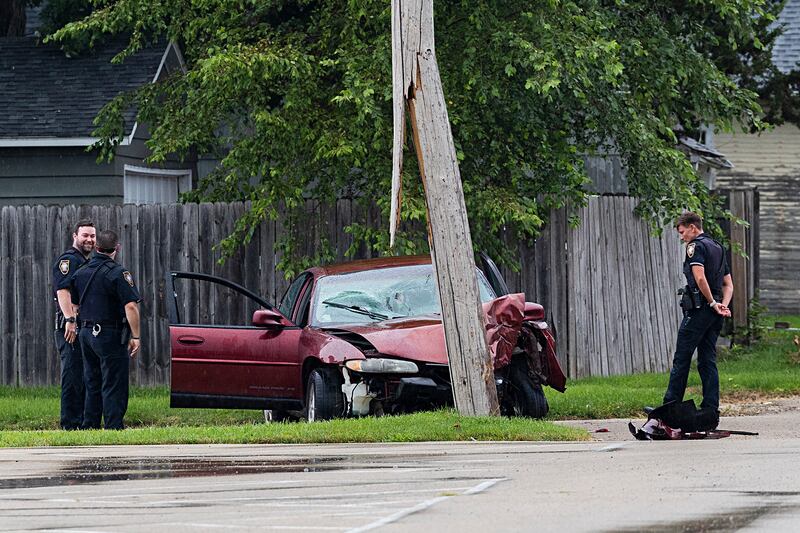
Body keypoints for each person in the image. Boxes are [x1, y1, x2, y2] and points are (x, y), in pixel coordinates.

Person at [663, 212, 733, 420]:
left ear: (693, 227)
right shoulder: (718, 247)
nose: (682, 237)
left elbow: (700, 278)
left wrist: (711, 302)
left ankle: (670, 407)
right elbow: (728, 285)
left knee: (682, 357)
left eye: (683, 232)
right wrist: (722, 306)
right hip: (715, 314)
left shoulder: (696, 247)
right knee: (707, 359)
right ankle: (710, 409)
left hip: (700, 310)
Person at [70, 230, 141, 430]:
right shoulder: (119, 273)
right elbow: (131, 307)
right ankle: (113, 425)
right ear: (116, 248)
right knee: (114, 381)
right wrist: (135, 335)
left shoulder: (80, 272)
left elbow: (75, 306)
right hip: (110, 334)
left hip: (86, 333)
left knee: (92, 381)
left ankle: (90, 425)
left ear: (96, 248)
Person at [52, 220, 96, 430]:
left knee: (84, 375)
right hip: (69, 328)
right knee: (72, 375)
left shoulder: (85, 261)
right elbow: (63, 291)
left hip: (82, 329)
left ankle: (81, 422)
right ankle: (69, 424)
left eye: (92, 236)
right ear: (75, 236)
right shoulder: (68, 260)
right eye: (85, 235)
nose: (89, 239)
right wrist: (70, 320)